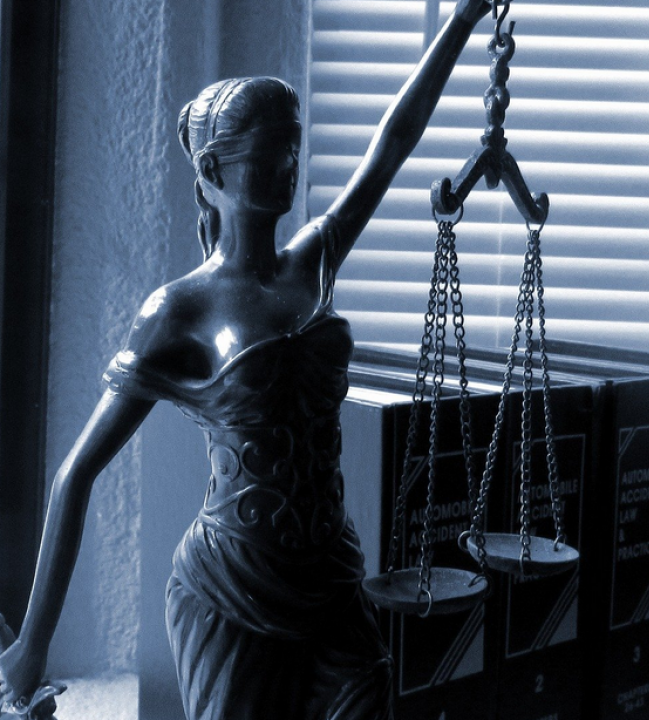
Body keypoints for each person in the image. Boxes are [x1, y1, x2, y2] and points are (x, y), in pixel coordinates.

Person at [0, 0, 492, 717]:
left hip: (330, 581)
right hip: (230, 590)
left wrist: (463, 20)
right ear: (213, 169)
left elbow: (393, 144)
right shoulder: (177, 312)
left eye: (294, 148)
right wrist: (33, 645)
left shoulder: (313, 260)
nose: (289, 167)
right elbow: (75, 475)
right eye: (269, 154)